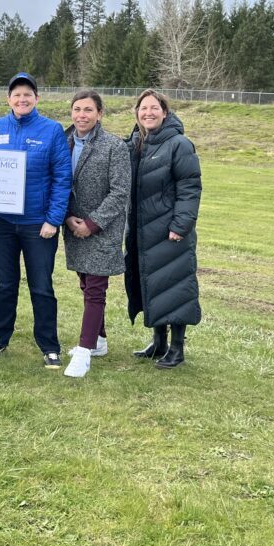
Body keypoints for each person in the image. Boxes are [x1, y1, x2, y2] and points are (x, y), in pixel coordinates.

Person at [0, 72, 72, 368]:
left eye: (27, 94)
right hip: (0, 223)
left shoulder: (52, 130)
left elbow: (62, 178)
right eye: (17, 94)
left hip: (37, 223)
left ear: (36, 98)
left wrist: (53, 219)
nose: (22, 99)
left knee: (41, 286)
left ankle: (49, 345)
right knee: (4, 284)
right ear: (8, 99)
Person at [124, 89, 202, 369]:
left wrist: (181, 225)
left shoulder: (179, 144)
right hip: (142, 231)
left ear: (165, 112)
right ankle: (159, 342)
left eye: (154, 108)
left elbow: (190, 188)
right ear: (137, 113)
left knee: (176, 287)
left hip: (169, 230)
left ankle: (177, 349)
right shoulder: (136, 143)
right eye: (143, 108)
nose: (148, 113)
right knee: (153, 284)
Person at [62, 90, 130, 378]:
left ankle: (84, 350)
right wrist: (67, 217)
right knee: (85, 282)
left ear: (100, 114)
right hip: (73, 225)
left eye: (88, 110)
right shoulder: (63, 141)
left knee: (95, 289)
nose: (82, 115)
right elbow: (58, 182)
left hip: (102, 229)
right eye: (77, 109)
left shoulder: (114, 146)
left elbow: (120, 191)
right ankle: (99, 339)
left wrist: (92, 223)